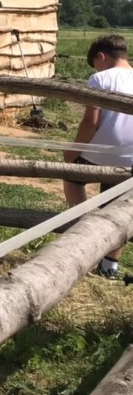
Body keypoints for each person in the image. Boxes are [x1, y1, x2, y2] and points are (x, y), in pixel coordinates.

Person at [62, 34, 133, 279]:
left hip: (100, 153)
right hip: (130, 157)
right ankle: (110, 264)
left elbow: (91, 122)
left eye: (96, 64)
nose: (96, 69)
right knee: (117, 208)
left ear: (101, 57)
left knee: (71, 177)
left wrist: (73, 150)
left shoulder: (100, 79)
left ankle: (82, 233)